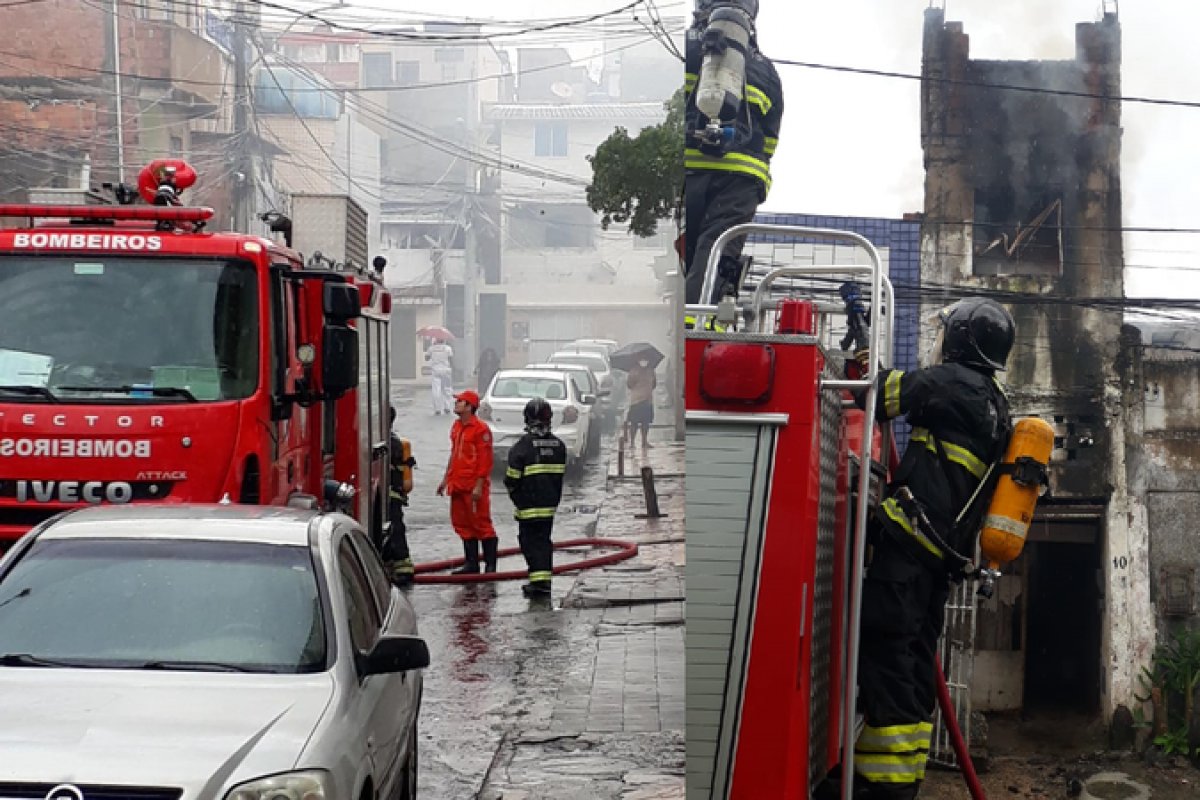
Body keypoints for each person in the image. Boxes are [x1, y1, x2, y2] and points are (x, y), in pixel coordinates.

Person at [826, 298, 1015, 800]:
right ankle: (899, 782)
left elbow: (878, 395)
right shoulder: (993, 402)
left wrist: (863, 360)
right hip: (933, 563)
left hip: (908, 555)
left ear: (960, 340)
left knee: (887, 658)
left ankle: (878, 788)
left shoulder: (954, 382)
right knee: (910, 664)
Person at [683, 0, 784, 311]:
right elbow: (769, 140)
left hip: (690, 171)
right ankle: (701, 323)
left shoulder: (688, 50)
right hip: (742, 178)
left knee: (682, 252)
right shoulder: (766, 70)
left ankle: (680, 328)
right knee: (716, 250)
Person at [504, 397, 567, 599]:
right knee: (543, 542)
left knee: (530, 544)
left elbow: (511, 479)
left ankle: (539, 585)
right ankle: (542, 581)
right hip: (549, 506)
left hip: (528, 507)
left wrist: (518, 498)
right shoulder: (559, 446)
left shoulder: (522, 447)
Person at [436, 389, 498, 574]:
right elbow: (454, 454)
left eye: (460, 401)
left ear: (470, 407)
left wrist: (479, 486)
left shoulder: (480, 430)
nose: (456, 404)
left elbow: (485, 460)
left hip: (473, 486)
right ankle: (471, 564)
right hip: (457, 484)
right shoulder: (456, 426)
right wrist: (445, 479)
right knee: (462, 524)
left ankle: (490, 566)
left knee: (481, 523)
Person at [384, 406, 417, 586]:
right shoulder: (395, 441)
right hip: (395, 493)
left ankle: (403, 568)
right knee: (394, 528)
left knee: (395, 529)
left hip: (392, 494)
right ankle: (394, 563)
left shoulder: (391, 443)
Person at [624, 359, 657, 450]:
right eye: (642, 359)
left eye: (646, 360)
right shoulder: (633, 371)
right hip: (636, 401)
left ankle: (644, 441)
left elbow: (654, 384)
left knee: (646, 423)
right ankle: (632, 442)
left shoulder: (651, 371)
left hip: (647, 400)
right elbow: (629, 385)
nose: (644, 362)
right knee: (634, 423)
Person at [427, 339, 455, 415]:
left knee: (436, 390)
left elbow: (427, 358)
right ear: (444, 340)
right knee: (447, 389)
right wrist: (452, 368)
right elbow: (451, 359)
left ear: (436, 340)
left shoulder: (431, 348)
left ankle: (437, 409)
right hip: (446, 371)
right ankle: (447, 407)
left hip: (435, 370)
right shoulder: (448, 348)